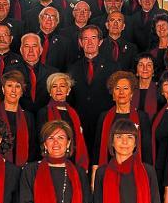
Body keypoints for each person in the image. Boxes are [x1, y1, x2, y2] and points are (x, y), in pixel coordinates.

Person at [67, 25, 118, 156]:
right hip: (80, 125)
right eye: (85, 38)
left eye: (93, 38)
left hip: (105, 124)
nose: (89, 42)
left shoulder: (113, 67)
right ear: (80, 42)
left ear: (100, 42)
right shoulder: (72, 68)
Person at [93, 71, 153, 174]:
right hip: (109, 170)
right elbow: (97, 148)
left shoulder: (142, 117)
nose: (121, 92)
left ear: (131, 93)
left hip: (135, 172)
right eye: (117, 88)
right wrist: (94, 176)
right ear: (113, 94)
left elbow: (147, 150)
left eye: (125, 88)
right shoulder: (104, 117)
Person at [36, 73, 90, 170]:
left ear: (68, 90)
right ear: (50, 91)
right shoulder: (43, 112)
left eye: (62, 86)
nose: (58, 90)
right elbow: (41, 140)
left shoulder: (74, 113)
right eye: (54, 86)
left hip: (73, 161)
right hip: (51, 162)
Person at [6, 33, 57, 115]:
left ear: (40, 50)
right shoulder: (10, 71)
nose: (30, 50)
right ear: (21, 50)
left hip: (46, 117)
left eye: (34, 46)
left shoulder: (53, 73)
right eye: (26, 46)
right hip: (18, 116)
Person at [0, 70, 36, 166]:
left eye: (17, 86)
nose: (13, 90)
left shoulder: (28, 117)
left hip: (22, 168)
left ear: (21, 92)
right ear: (3, 89)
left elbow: (33, 147)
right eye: (9, 86)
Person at [35, 6, 71, 72]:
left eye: (53, 17)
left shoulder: (65, 43)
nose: (49, 19)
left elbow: (67, 67)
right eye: (46, 16)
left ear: (57, 22)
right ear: (40, 19)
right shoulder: (31, 38)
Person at [149, 15, 168, 79]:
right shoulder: (152, 51)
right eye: (158, 26)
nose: (161, 28)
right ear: (155, 30)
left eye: (163, 25)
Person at [131, 53, 160, 119]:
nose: (145, 68)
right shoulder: (130, 90)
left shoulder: (160, 91)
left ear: (153, 70)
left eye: (149, 65)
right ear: (136, 71)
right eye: (141, 65)